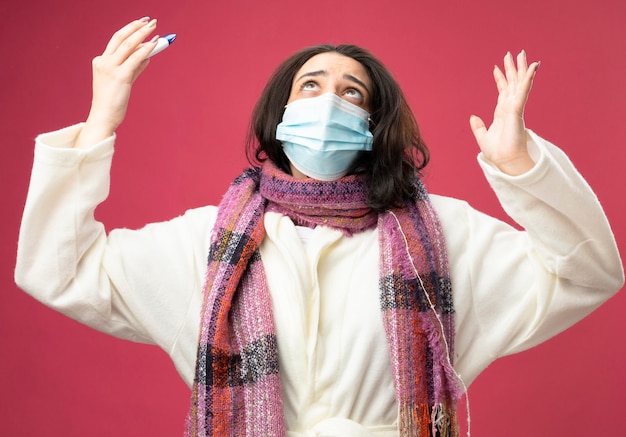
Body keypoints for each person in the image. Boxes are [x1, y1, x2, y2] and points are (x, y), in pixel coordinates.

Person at [15, 17, 624, 437]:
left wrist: (522, 168)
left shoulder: (442, 241)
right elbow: (58, 270)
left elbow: (589, 273)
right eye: (311, 86)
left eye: (351, 92)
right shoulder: (207, 246)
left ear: (373, 123)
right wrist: (100, 122)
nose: (329, 100)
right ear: (281, 114)